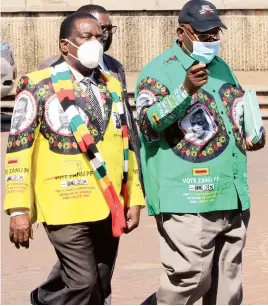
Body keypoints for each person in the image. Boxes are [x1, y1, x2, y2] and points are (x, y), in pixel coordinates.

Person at [5, 12, 144, 305]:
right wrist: (18, 209)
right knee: (82, 281)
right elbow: (19, 148)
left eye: (99, 36)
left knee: (100, 282)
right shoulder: (38, 84)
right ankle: (46, 300)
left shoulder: (111, 86)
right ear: (65, 45)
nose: (96, 42)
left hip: (109, 202)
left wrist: (134, 197)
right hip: (64, 201)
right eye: (86, 36)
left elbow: (126, 145)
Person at [135, 0, 266, 304]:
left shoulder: (221, 67)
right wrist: (185, 91)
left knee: (227, 288)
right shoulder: (158, 71)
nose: (210, 41)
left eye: (215, 34)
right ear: (181, 32)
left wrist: (250, 134)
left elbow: (232, 107)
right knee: (188, 277)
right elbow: (147, 125)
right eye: (203, 35)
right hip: (186, 197)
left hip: (230, 193)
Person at [39, 5, 141, 184]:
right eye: (89, 35)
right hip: (71, 175)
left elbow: (125, 120)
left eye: (104, 32)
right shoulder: (49, 72)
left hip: (113, 169)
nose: (101, 38)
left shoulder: (115, 68)